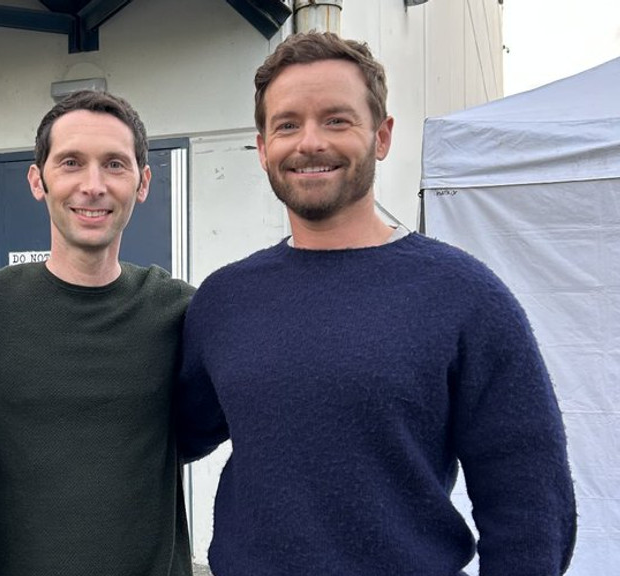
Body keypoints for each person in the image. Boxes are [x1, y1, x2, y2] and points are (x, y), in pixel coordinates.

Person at [176, 31, 577, 576]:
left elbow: (532, 504)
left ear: (382, 136)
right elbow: (166, 436)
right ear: (264, 146)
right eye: (287, 124)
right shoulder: (224, 301)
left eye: (336, 120)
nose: (309, 142)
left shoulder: (464, 297)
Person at [0, 90, 195, 576]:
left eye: (115, 164)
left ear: (143, 182)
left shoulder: (177, 310)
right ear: (37, 179)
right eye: (71, 162)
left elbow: (210, 421)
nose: (93, 185)